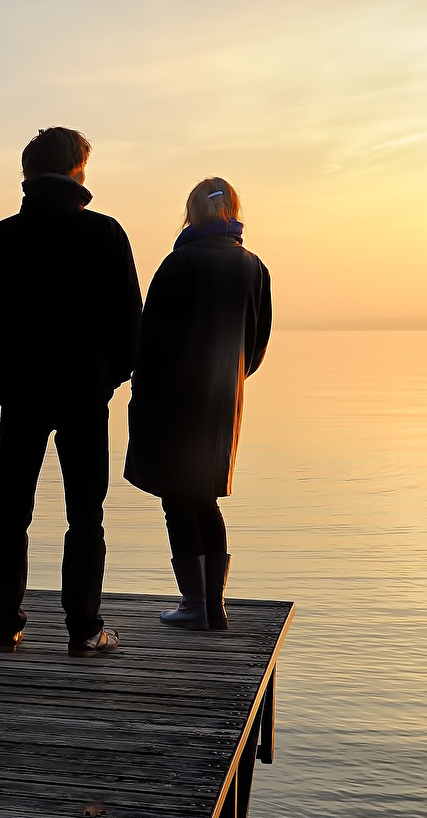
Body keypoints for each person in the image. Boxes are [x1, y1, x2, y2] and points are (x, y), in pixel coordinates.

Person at [0, 127, 142, 655]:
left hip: (21, 392)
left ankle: (5, 625)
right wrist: (104, 378)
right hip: (85, 395)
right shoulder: (106, 234)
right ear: (77, 172)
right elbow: (131, 326)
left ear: (27, 174)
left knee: (11, 511)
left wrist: (7, 377)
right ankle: (84, 629)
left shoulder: (3, 237)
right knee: (85, 514)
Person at [124, 178, 272, 630]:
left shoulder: (179, 264)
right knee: (204, 498)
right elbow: (257, 343)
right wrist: (229, 379)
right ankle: (214, 605)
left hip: (175, 398)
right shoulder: (255, 268)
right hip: (224, 399)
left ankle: (195, 603)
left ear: (191, 214)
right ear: (232, 210)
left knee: (178, 499)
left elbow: (148, 343)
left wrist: (140, 393)